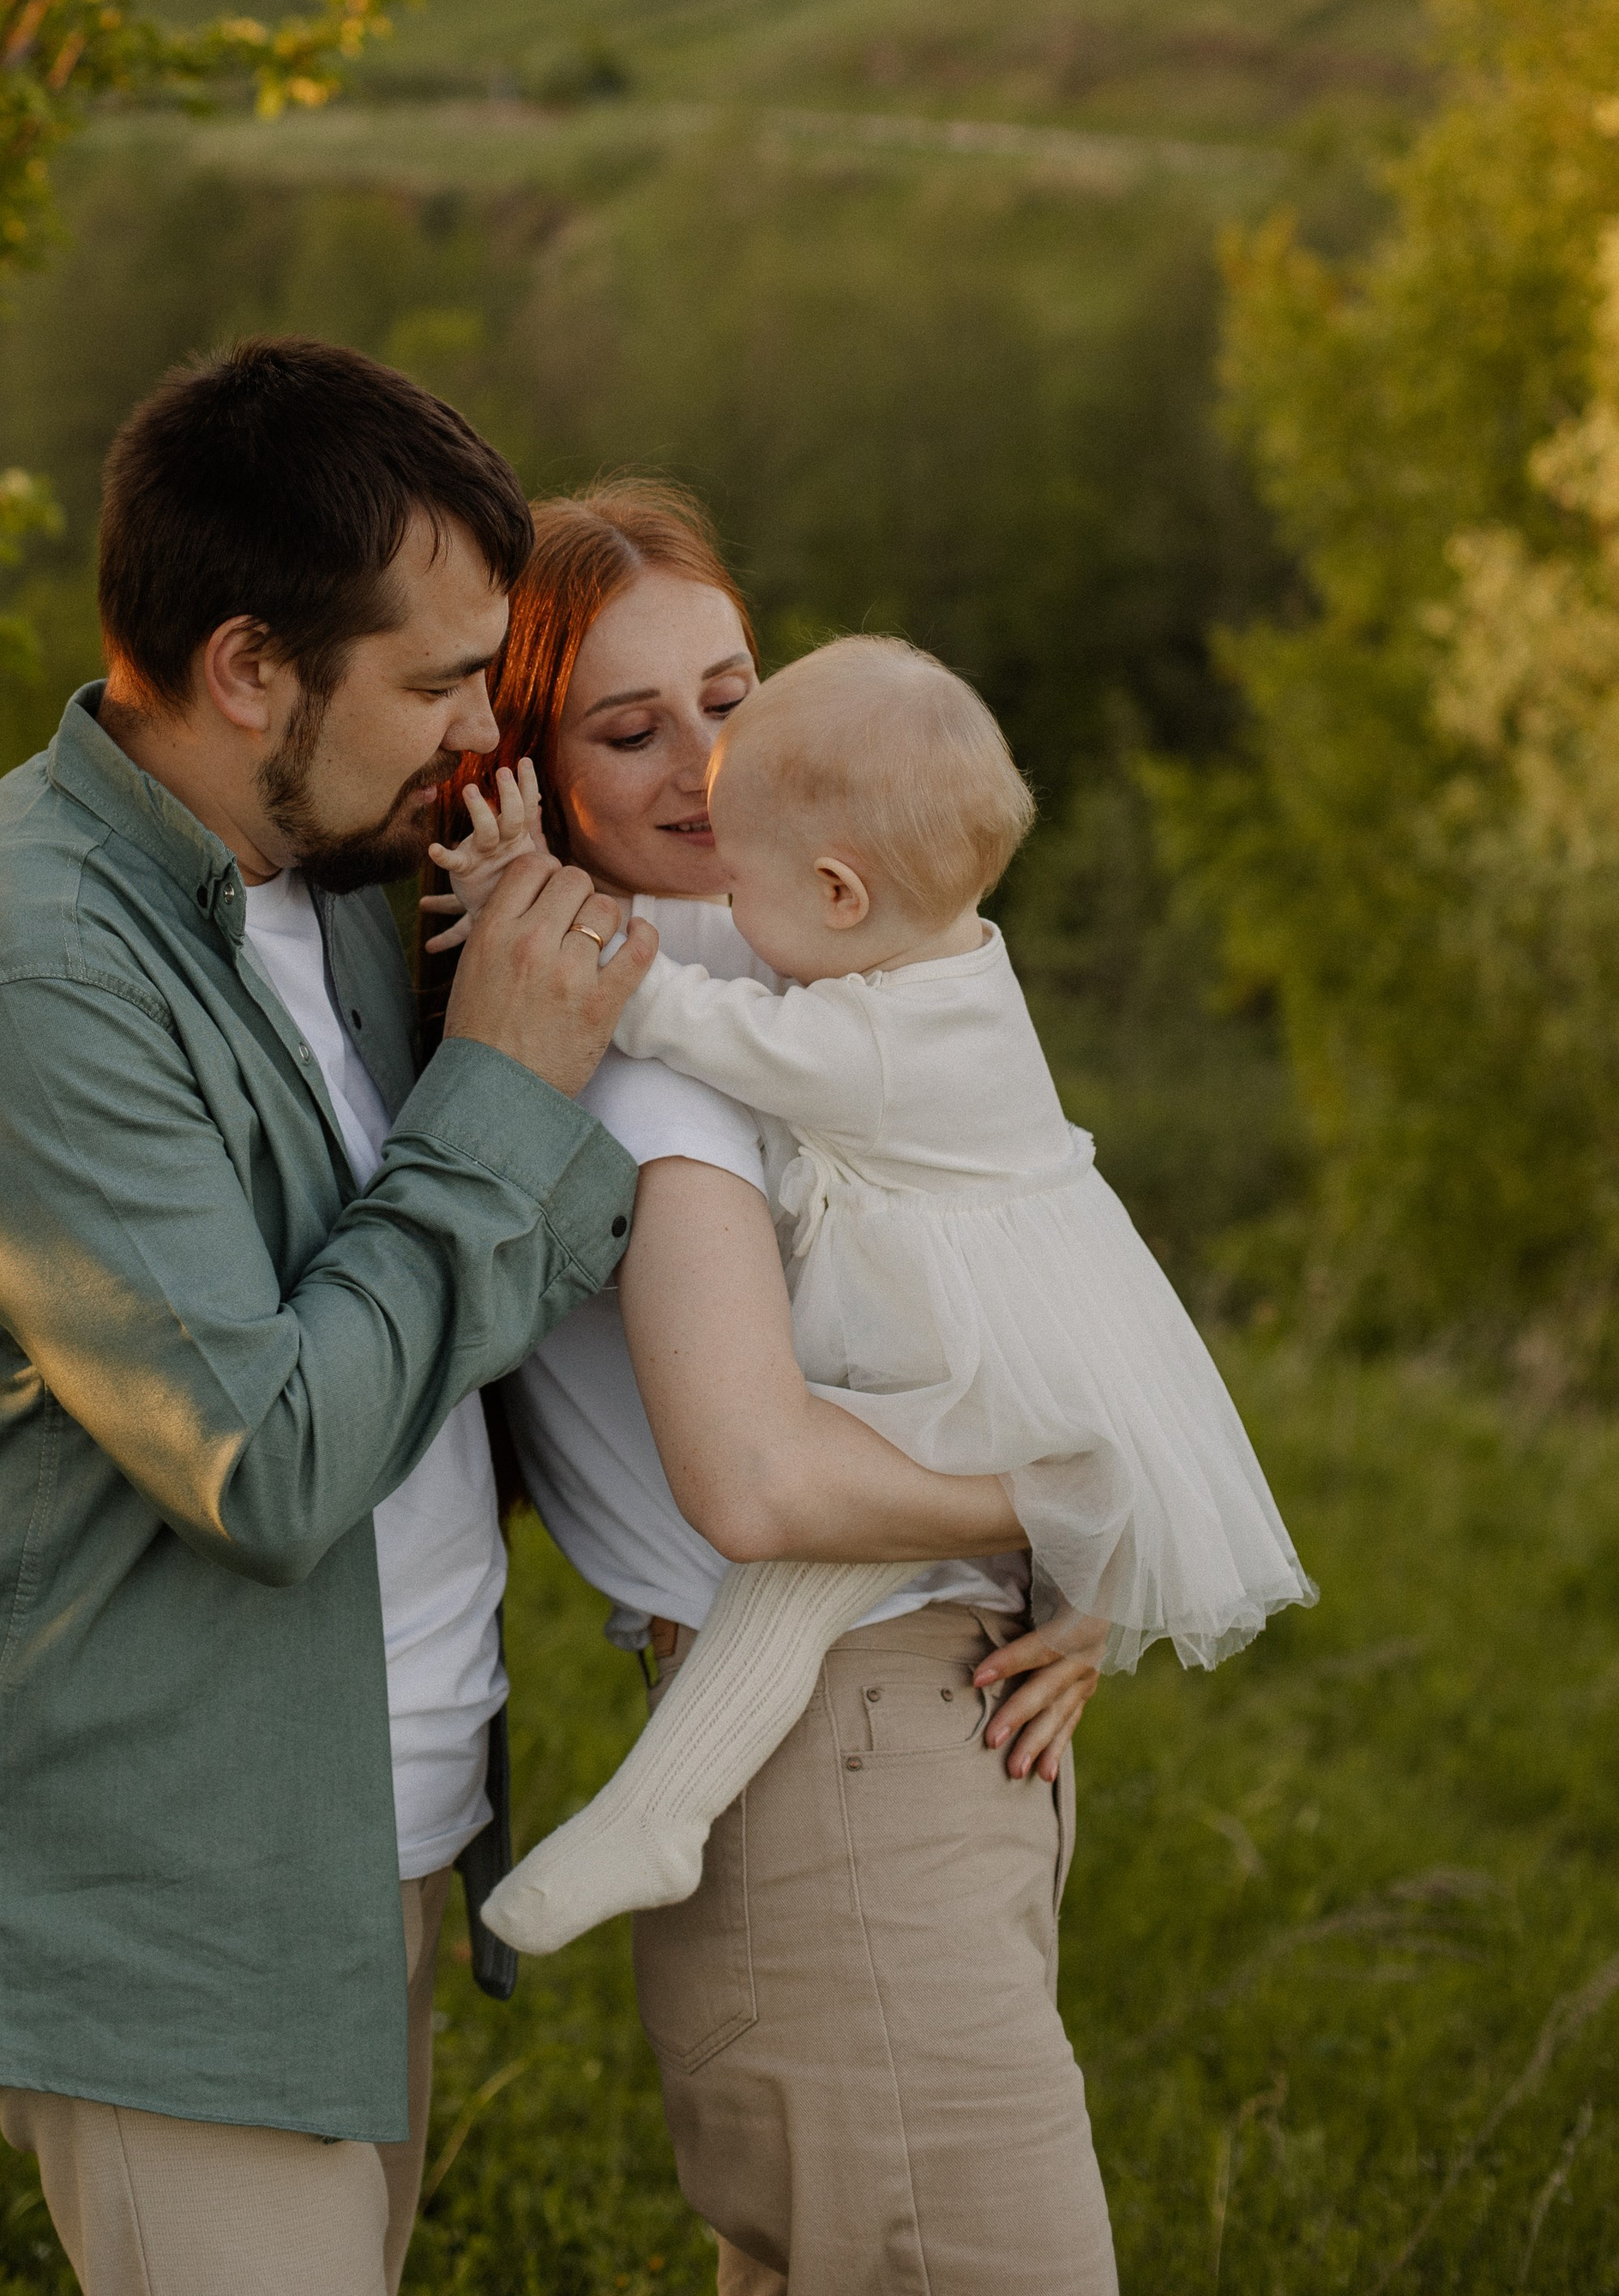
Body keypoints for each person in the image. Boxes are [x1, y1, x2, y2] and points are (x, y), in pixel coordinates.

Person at [0, 350, 1017, 2296]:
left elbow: (505, 1310)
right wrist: (502, 1090)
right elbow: (267, 1456)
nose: (486, 733)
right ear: (246, 671)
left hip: (357, 1821)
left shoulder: (326, 894)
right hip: (178, 1870)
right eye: (444, 683)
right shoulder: (18, 976)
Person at [419, 484, 1124, 2296]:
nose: (704, 760)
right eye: (626, 726)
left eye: (730, 695)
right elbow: (758, 1482)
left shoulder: (773, 989)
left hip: (894, 1740)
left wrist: (1080, 1572)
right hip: (840, 1755)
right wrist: (1079, 1498)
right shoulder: (650, 1062)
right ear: (530, 766)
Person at [446, 636, 1313, 1955]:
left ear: (840, 892)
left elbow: (665, 1006)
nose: (725, 912)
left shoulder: (872, 1047)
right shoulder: (938, 957)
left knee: (801, 1572)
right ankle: (659, 1815)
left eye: (744, 886)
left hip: (986, 1368)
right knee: (822, 1576)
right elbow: (678, 938)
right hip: (1034, 1339)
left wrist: (522, 883)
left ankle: (659, 1812)